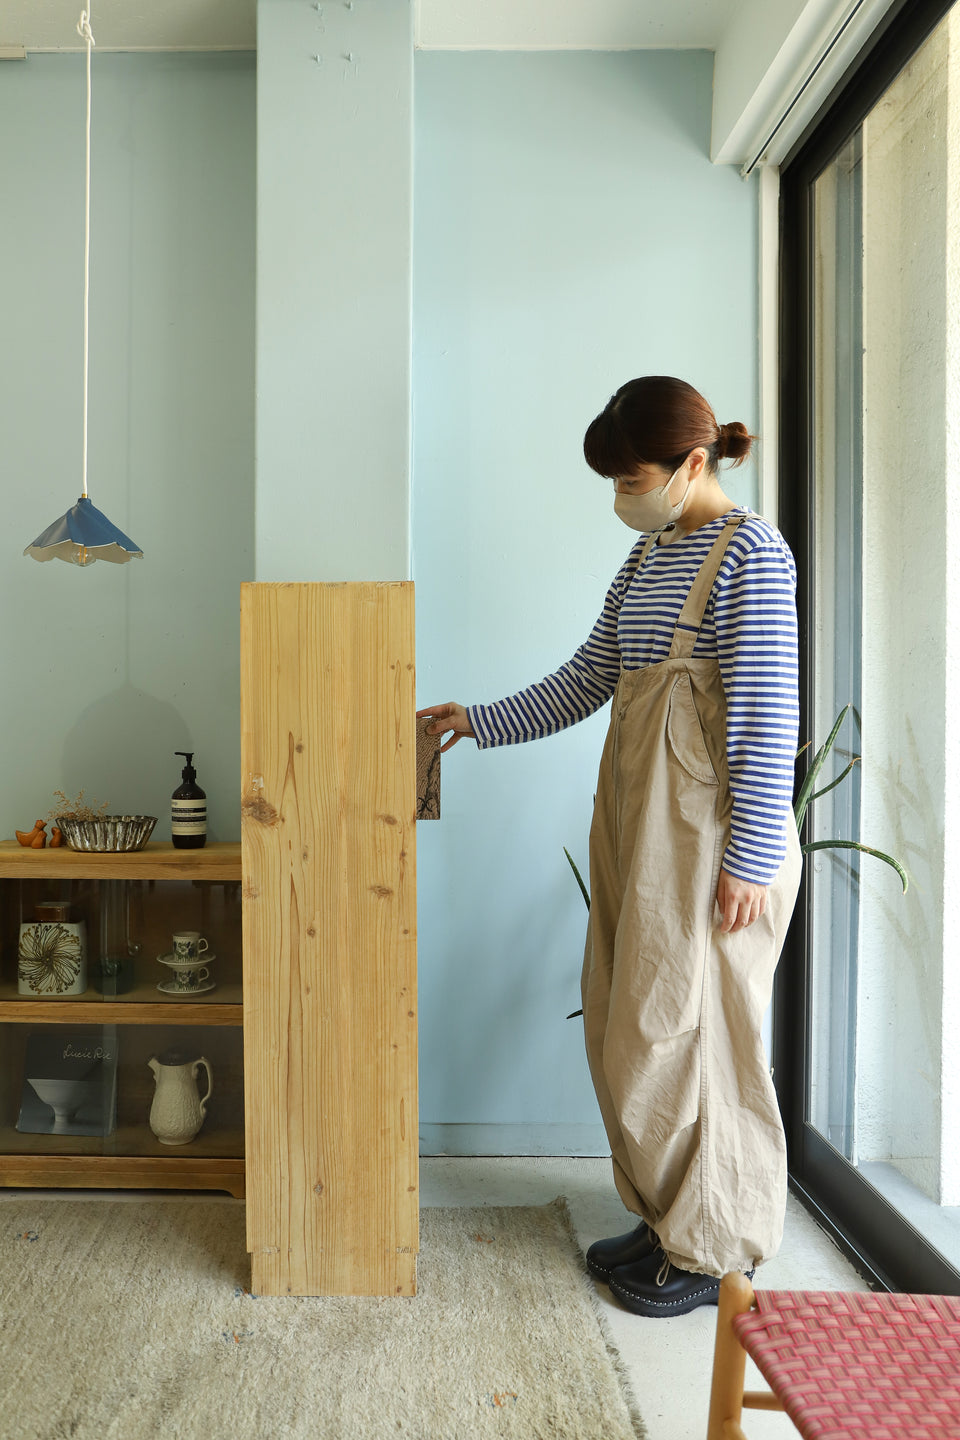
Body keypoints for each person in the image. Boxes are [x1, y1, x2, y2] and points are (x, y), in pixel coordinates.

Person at [418, 375, 801, 1317]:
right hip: (639, 825)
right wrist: (479, 721)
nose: (623, 497)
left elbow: (764, 714)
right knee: (631, 1020)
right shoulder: (649, 558)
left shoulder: (753, 555)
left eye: (632, 476)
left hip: (711, 843)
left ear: (692, 465)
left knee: (698, 1035)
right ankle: (666, 1214)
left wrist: (750, 858)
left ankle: (713, 1248)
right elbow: (591, 675)